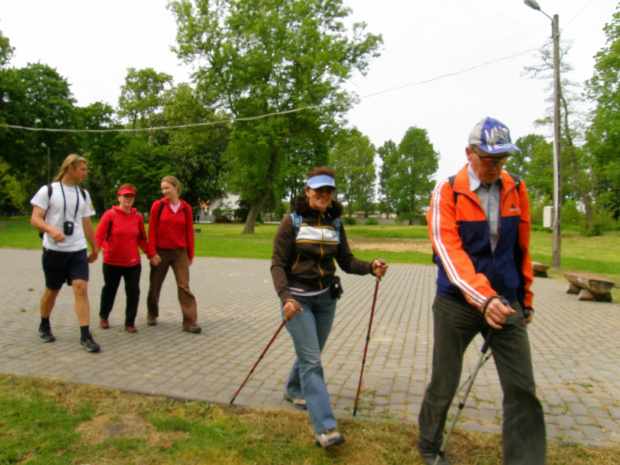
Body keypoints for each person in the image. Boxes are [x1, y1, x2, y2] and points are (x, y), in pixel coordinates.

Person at [417, 117, 546, 465]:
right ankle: (429, 444)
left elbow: (521, 249)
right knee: (444, 383)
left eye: (502, 159)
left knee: (522, 389)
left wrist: (525, 300)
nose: (495, 167)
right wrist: (482, 297)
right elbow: (448, 252)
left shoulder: (516, 188)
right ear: (469, 153)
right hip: (457, 303)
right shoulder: (447, 190)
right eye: (489, 159)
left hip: (505, 302)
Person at [271, 167, 388, 449]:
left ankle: (293, 388)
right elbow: (277, 264)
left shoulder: (335, 223)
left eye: (329, 190)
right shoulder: (293, 221)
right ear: (307, 190)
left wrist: (370, 267)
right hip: (297, 301)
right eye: (319, 189)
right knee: (312, 361)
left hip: (326, 299)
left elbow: (346, 261)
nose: (324, 195)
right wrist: (286, 297)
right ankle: (325, 427)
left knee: (311, 352)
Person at [30, 154, 101, 352]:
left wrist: (94, 247)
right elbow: (35, 219)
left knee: (81, 288)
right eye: (82, 170)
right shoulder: (48, 191)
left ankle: (85, 335)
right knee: (52, 290)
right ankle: (44, 324)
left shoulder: (83, 194)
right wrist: (51, 230)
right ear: (70, 168)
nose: (86, 174)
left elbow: (86, 222)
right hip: (54, 251)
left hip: (77, 250)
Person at [146, 175, 201, 333]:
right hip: (161, 252)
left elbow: (189, 232)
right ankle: (152, 313)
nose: (164, 191)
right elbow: (152, 230)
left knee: (184, 286)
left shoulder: (186, 208)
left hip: (179, 253)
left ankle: (190, 322)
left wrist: (190, 254)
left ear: (176, 188)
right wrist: (152, 253)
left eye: (167, 188)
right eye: (162, 188)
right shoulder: (158, 206)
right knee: (155, 285)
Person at [95, 183, 149, 333]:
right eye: (125, 196)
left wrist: (152, 254)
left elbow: (142, 239)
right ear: (119, 197)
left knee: (133, 291)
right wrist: (95, 250)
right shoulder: (110, 215)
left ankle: (130, 322)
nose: (128, 199)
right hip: (112, 261)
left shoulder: (137, 217)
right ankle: (104, 316)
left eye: (131, 196)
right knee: (110, 290)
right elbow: (99, 234)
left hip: (132, 263)